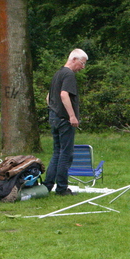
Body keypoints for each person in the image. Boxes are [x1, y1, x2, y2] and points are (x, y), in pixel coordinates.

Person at [43, 48, 88, 196]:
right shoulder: (69, 74)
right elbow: (64, 95)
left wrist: (53, 111)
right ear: (74, 59)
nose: (83, 67)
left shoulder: (58, 73)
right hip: (64, 120)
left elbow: (49, 97)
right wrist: (72, 116)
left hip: (54, 117)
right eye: (82, 63)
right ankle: (62, 188)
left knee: (57, 152)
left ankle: (47, 185)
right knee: (66, 154)